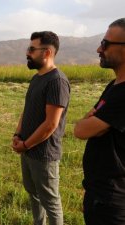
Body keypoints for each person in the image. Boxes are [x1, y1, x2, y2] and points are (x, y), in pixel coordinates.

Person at [12, 31, 70, 225]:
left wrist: (26, 144)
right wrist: (18, 134)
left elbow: (50, 124)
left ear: (46, 53)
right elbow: (26, 110)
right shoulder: (37, 78)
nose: (27, 53)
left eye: (31, 49)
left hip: (44, 154)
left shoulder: (57, 81)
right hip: (28, 149)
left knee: (51, 202)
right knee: (34, 194)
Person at [74, 18, 125, 225]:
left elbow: (81, 130)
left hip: (112, 200)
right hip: (102, 193)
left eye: (105, 43)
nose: (98, 48)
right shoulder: (115, 86)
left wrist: (92, 122)